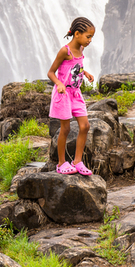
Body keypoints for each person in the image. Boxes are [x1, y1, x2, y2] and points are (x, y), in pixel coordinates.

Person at [47, 17, 96, 176]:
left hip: (76, 94)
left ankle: (77, 161)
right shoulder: (65, 51)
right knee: (66, 128)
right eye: (88, 36)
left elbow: (77, 67)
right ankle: (61, 163)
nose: (90, 40)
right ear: (77, 34)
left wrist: (85, 72)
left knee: (85, 126)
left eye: (91, 37)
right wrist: (59, 84)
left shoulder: (81, 49)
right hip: (64, 95)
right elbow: (50, 72)